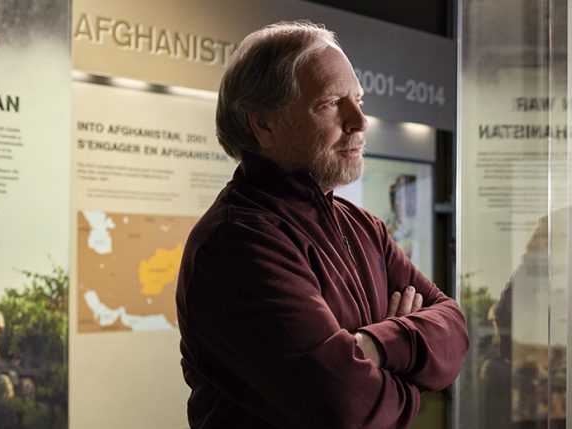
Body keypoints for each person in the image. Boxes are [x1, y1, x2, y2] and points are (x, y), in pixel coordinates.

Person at [175, 20, 468, 429]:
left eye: (358, 99)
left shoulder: (363, 227)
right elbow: (345, 410)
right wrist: (412, 379)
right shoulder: (235, 242)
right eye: (331, 103)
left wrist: (377, 346)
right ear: (264, 125)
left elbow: (453, 327)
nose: (359, 121)